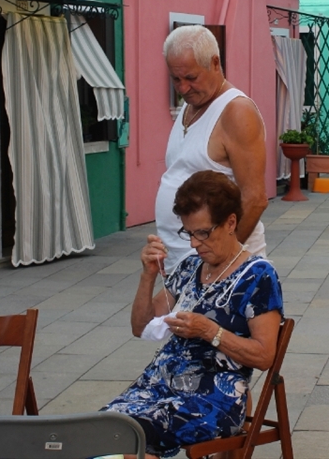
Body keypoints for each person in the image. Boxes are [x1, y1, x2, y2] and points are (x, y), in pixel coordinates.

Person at [103, 171, 284, 459]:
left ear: (230, 223)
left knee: (129, 436)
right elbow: (140, 326)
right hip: (158, 385)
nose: (194, 243)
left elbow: (264, 356)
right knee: (102, 429)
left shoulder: (258, 275)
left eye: (203, 232)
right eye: (189, 232)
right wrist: (148, 276)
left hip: (211, 398)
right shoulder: (190, 267)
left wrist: (210, 331)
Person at [156, 25, 269, 273]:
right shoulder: (190, 107)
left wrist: (220, 265)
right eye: (176, 79)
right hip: (185, 265)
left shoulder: (236, 111)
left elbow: (255, 199)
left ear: (215, 63)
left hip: (219, 270)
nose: (183, 88)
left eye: (191, 78)